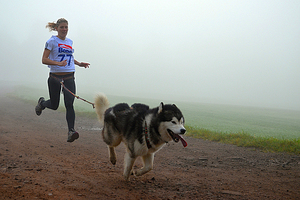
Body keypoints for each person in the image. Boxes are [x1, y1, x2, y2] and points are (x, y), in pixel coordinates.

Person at [35, 18, 90, 143]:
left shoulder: (70, 41)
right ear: (56, 28)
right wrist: (57, 64)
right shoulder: (51, 41)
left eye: (66, 27)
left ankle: (71, 131)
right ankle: (42, 103)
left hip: (69, 77)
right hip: (55, 78)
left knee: (69, 104)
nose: (64, 30)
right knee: (54, 105)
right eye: (62, 27)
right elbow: (44, 59)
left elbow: (69, 56)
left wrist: (79, 63)